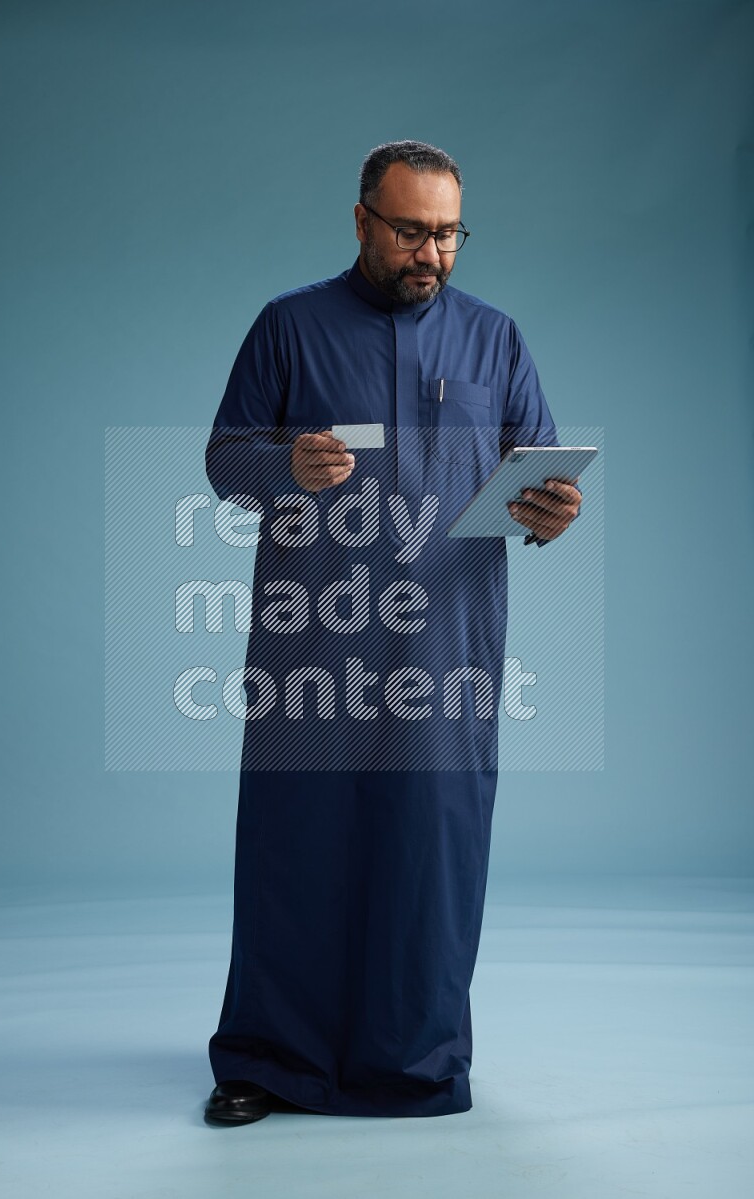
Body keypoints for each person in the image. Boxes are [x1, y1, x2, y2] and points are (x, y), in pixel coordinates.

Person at [203, 141, 581, 1125]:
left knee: (429, 853)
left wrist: (548, 512)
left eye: (446, 233)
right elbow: (224, 458)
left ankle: (414, 1062)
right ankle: (265, 1059)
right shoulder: (289, 328)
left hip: (443, 655)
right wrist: (283, 461)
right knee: (297, 848)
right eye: (410, 230)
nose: (430, 252)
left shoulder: (493, 341)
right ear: (362, 219)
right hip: (312, 647)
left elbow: (536, 477)